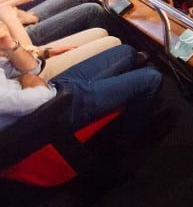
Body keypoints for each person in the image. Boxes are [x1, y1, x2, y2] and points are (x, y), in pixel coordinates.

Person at [0, 38, 165, 137]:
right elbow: (42, 97)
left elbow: (32, 68)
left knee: (126, 51)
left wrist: (8, 42)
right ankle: (131, 133)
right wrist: (28, 79)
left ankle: (126, 99)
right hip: (49, 113)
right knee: (152, 77)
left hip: (51, 86)